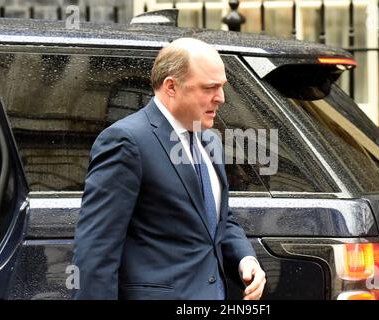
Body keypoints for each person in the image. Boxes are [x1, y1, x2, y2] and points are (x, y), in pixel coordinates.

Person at [72, 38, 266, 300]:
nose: (221, 98)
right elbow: (96, 249)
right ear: (171, 87)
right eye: (210, 87)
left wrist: (244, 258)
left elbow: (219, 220)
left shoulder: (210, 141)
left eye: (222, 87)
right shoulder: (126, 141)